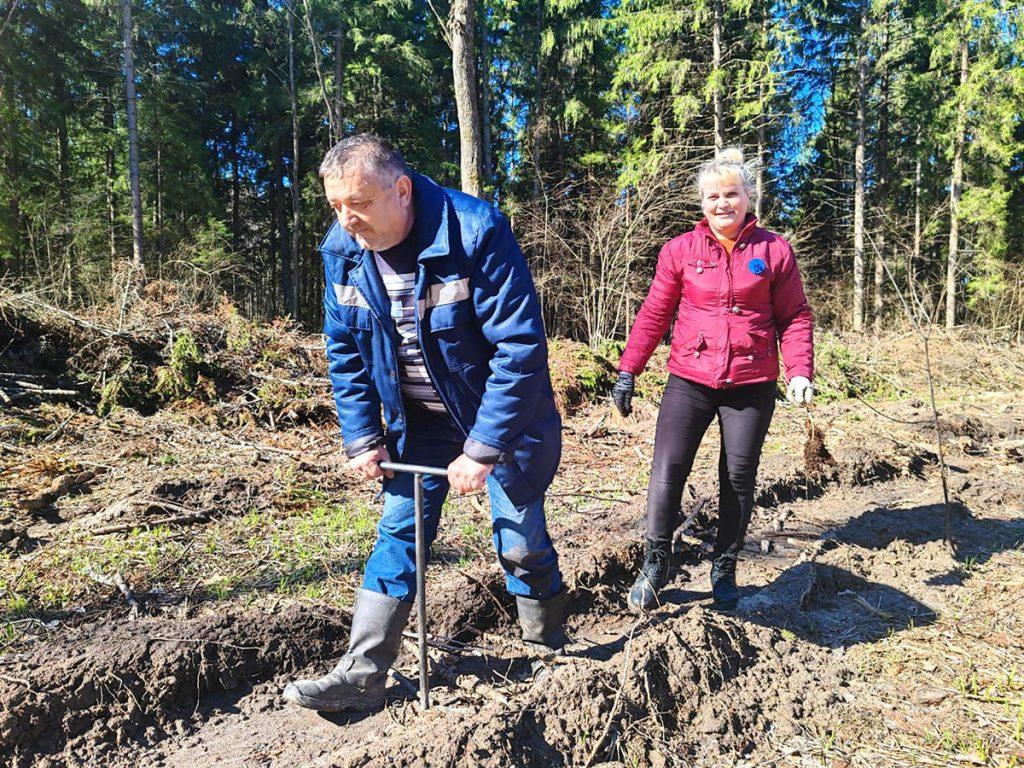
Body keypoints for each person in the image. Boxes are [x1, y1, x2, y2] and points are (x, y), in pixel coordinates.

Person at [282, 134, 566, 712]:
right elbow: (345, 352)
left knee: (519, 541)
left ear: (402, 190)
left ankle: (547, 651)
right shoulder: (342, 252)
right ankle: (362, 675)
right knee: (398, 532)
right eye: (335, 205)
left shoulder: (475, 231)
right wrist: (363, 436)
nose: (346, 219)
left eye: (358, 203)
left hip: (500, 418)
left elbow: (519, 348)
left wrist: (483, 446)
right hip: (418, 426)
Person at [611, 147, 814, 613]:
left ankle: (724, 567)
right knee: (668, 469)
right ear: (702, 203)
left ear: (748, 197)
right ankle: (656, 561)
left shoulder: (773, 251)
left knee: (738, 477)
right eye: (713, 196)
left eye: (731, 194)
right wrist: (628, 369)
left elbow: (795, 316)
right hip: (690, 378)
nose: (723, 203)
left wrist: (800, 369)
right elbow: (654, 313)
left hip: (751, 383)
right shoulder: (680, 250)